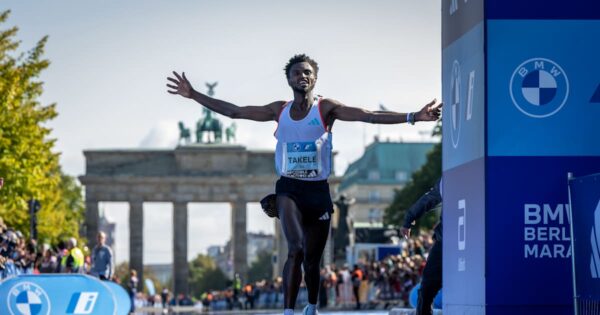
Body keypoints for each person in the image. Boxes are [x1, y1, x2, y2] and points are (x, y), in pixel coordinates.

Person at [166, 54, 442, 315]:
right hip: (289, 188)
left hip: (318, 190)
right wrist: (193, 95)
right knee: (295, 249)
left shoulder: (326, 108)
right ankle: (288, 310)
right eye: (297, 72)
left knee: (312, 261)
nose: (302, 76)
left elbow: (368, 115)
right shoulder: (279, 110)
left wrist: (413, 116)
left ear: (315, 79)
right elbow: (235, 112)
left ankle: (311, 304)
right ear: (289, 79)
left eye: (307, 72)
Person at [400, 178, 442, 315]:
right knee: (427, 286)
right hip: (444, 241)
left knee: (427, 287)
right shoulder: (448, 177)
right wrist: (408, 219)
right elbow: (428, 199)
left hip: (470, 238)